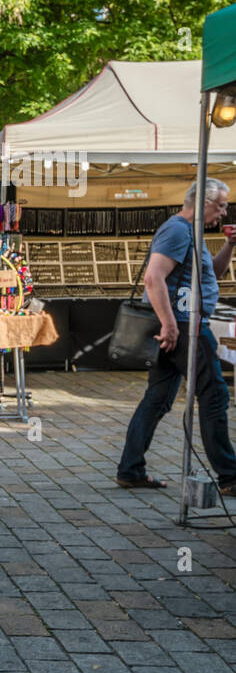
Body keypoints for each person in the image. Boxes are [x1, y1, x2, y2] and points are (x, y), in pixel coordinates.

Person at [116, 176, 236, 493]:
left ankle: (131, 470)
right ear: (203, 202)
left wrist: (230, 245)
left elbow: (215, 272)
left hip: (180, 324)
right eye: (221, 206)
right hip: (185, 326)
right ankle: (230, 475)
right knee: (214, 396)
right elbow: (154, 278)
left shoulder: (190, 233)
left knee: (157, 399)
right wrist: (169, 325)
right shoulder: (178, 230)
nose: (224, 213)